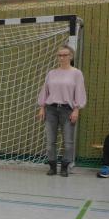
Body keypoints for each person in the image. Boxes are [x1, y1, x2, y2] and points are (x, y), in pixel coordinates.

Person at [37, 45, 87, 177]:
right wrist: (42, 107)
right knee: (50, 141)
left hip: (67, 110)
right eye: (59, 55)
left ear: (71, 56)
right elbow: (45, 91)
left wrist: (76, 109)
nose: (62, 58)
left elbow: (80, 92)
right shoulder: (51, 73)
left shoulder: (76, 73)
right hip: (51, 110)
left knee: (68, 142)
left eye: (65, 55)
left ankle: (65, 167)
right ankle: (52, 166)